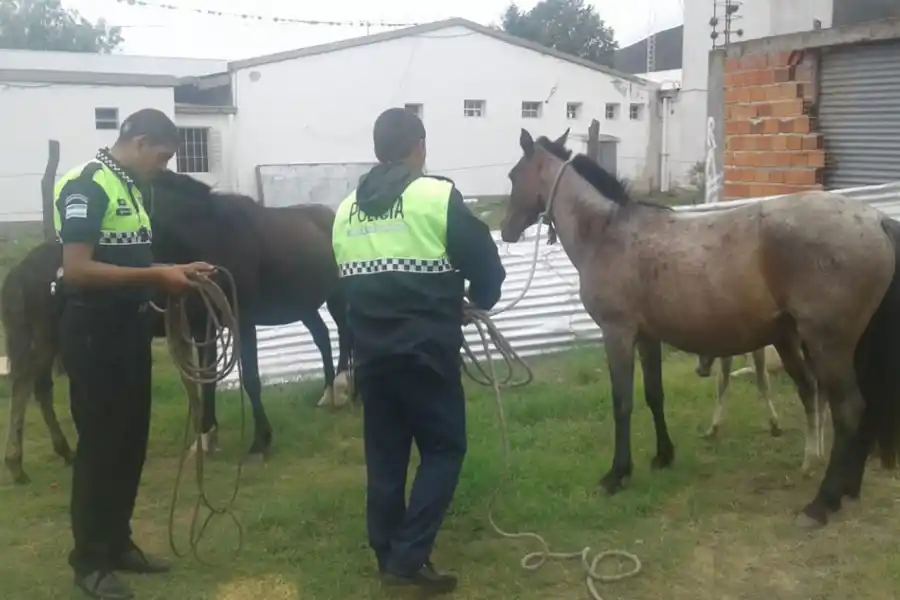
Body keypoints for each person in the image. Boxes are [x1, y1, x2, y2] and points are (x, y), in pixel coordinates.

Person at [331, 107, 506, 594]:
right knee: (445, 448)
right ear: (420, 147)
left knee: (385, 455)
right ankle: (407, 561)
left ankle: (387, 552)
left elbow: (346, 285)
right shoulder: (436, 195)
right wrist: (479, 300)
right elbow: (484, 262)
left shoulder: (346, 209)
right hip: (426, 350)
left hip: (371, 353)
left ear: (377, 149)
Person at [54, 108, 215, 600]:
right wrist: (155, 277)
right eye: (163, 156)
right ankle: (89, 561)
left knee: (130, 441)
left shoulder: (133, 188)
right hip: (92, 332)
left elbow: (132, 260)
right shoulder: (89, 184)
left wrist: (175, 268)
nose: (164, 167)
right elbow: (78, 269)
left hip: (128, 329)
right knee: (101, 445)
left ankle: (117, 543)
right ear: (141, 142)